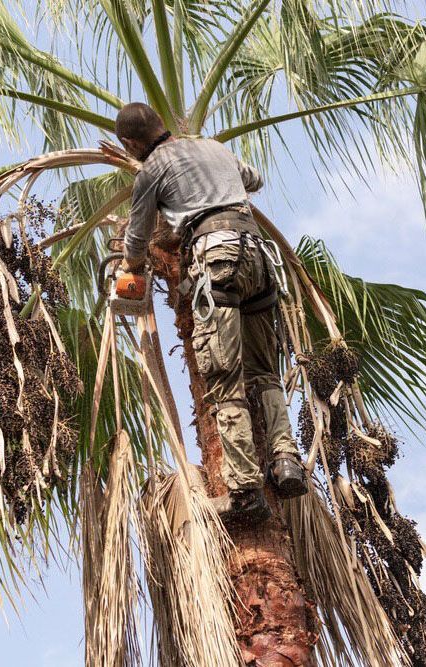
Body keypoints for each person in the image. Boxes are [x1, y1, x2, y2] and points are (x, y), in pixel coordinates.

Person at [116, 102, 307, 523]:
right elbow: (254, 178)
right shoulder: (213, 146)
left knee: (225, 378)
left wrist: (130, 265)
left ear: (129, 143)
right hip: (258, 256)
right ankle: (286, 461)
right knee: (264, 371)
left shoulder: (150, 171)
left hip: (215, 259)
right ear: (163, 125)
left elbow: (137, 234)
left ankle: (245, 492)